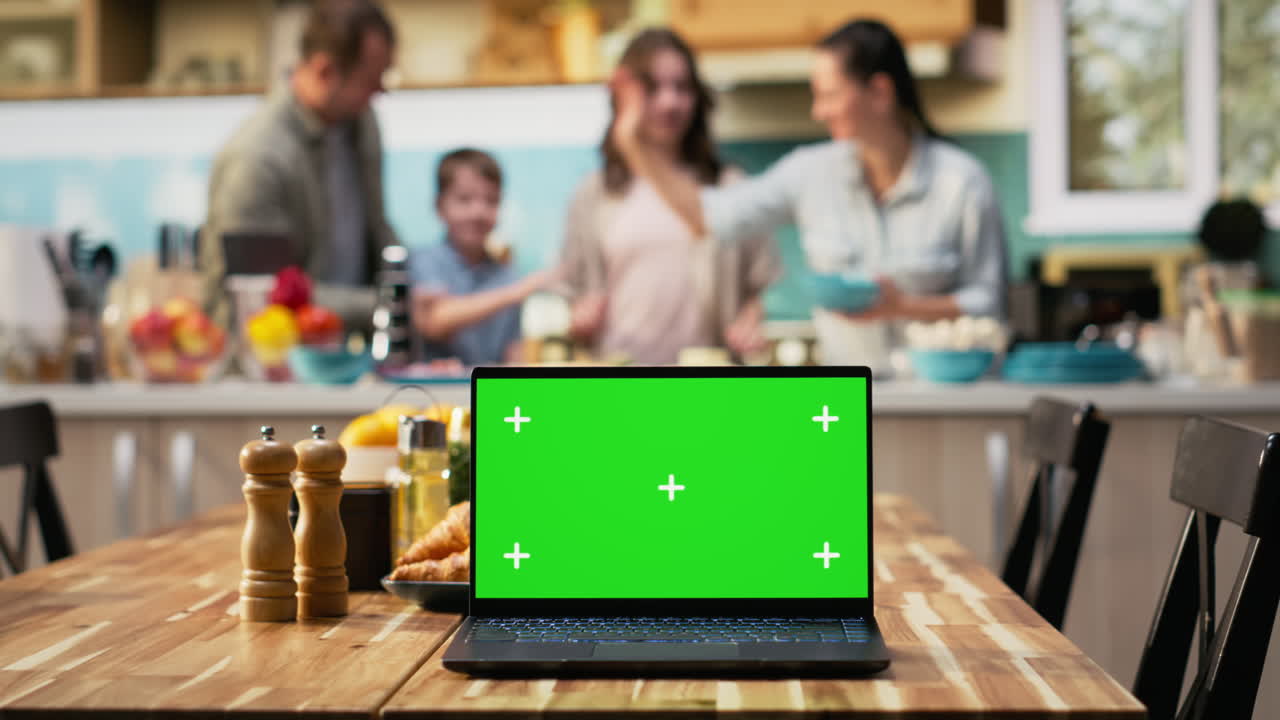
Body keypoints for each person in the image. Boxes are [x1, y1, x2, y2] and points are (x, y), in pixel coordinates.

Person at [609, 20, 1009, 334]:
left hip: (940, 403)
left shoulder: (962, 182)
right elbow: (710, 217)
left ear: (879, 92)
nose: (818, 111)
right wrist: (632, 143)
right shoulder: (810, 172)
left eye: (830, 95)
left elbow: (990, 301)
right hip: (842, 400)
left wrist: (903, 307)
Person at [560, 29, 780, 365]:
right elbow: (574, 297)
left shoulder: (728, 187)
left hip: (708, 380)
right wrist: (581, 317)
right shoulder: (593, 194)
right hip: (619, 379)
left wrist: (750, 320)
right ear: (624, 96)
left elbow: (759, 285)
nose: (670, 102)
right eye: (652, 89)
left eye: (682, 87)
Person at [201, 0, 397, 325]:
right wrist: (383, 307)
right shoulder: (257, 158)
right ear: (324, 71)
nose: (381, 91)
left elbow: (376, 227)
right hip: (279, 351)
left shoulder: (360, 123)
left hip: (349, 341)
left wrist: (412, 288)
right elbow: (266, 296)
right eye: (370, 79)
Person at [409, 149, 553, 366]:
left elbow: (514, 354)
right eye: (464, 199)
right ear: (439, 206)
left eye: (491, 201)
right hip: (434, 386)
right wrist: (516, 292)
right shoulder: (424, 261)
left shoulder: (506, 276)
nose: (478, 211)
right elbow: (434, 320)